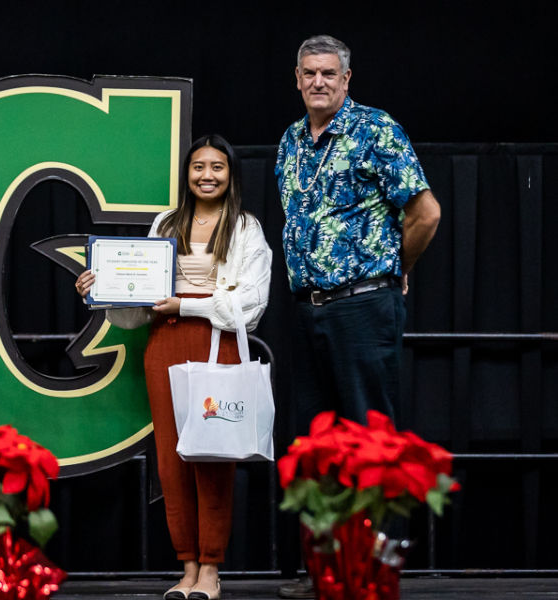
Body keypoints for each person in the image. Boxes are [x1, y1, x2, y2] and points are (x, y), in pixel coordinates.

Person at [274, 35, 441, 598]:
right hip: (306, 311)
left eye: (329, 73)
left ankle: (375, 569)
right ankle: (326, 571)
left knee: (373, 441)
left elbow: (425, 212)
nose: (318, 82)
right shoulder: (290, 141)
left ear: (347, 80)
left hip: (364, 306)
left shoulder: (375, 129)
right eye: (309, 73)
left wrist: (397, 269)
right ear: (296, 79)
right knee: (314, 444)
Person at [76, 135, 272, 600]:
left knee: (213, 458)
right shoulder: (166, 222)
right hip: (163, 345)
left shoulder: (245, 227)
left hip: (217, 344)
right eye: (198, 166)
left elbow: (252, 303)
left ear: (231, 174)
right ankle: (186, 567)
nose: (207, 175)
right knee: (171, 460)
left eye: (217, 167)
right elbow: (140, 301)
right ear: (186, 174)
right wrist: (100, 289)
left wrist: (186, 305)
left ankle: (211, 570)